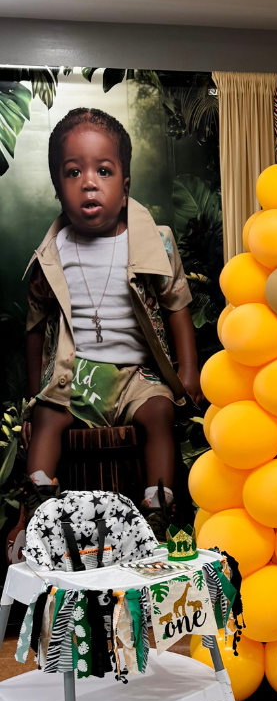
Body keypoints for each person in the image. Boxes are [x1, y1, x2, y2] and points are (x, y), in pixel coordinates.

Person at [20, 107, 202, 537]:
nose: (88, 182)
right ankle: (40, 504)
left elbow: (177, 306)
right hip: (75, 373)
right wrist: (34, 396)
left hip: (136, 374)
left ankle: (158, 507)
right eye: (72, 172)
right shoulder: (52, 254)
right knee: (48, 418)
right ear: (57, 187)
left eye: (104, 170)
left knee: (158, 413)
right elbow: (33, 330)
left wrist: (188, 371)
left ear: (125, 186)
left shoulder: (153, 242)